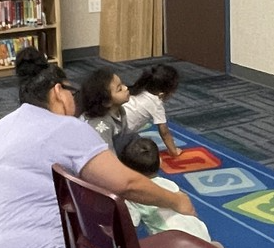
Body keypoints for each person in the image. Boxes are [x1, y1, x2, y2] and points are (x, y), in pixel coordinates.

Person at [0, 47, 196, 248]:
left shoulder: (4, 124)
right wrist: (176, 200)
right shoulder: (67, 127)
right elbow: (126, 184)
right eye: (72, 92)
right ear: (59, 92)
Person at [118, 137, 223, 247]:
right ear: (160, 161)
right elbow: (191, 211)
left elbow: (130, 230)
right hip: (202, 238)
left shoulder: (133, 195)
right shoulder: (169, 184)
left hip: (174, 242)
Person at [123, 64, 182, 157]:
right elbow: (164, 132)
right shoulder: (156, 104)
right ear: (162, 94)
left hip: (107, 123)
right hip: (118, 133)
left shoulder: (138, 89)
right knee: (141, 149)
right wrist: (174, 151)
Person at [79, 66, 138, 154]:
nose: (126, 88)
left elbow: (126, 136)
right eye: (119, 89)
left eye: (123, 84)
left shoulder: (120, 110)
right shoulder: (102, 125)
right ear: (106, 102)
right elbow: (107, 155)